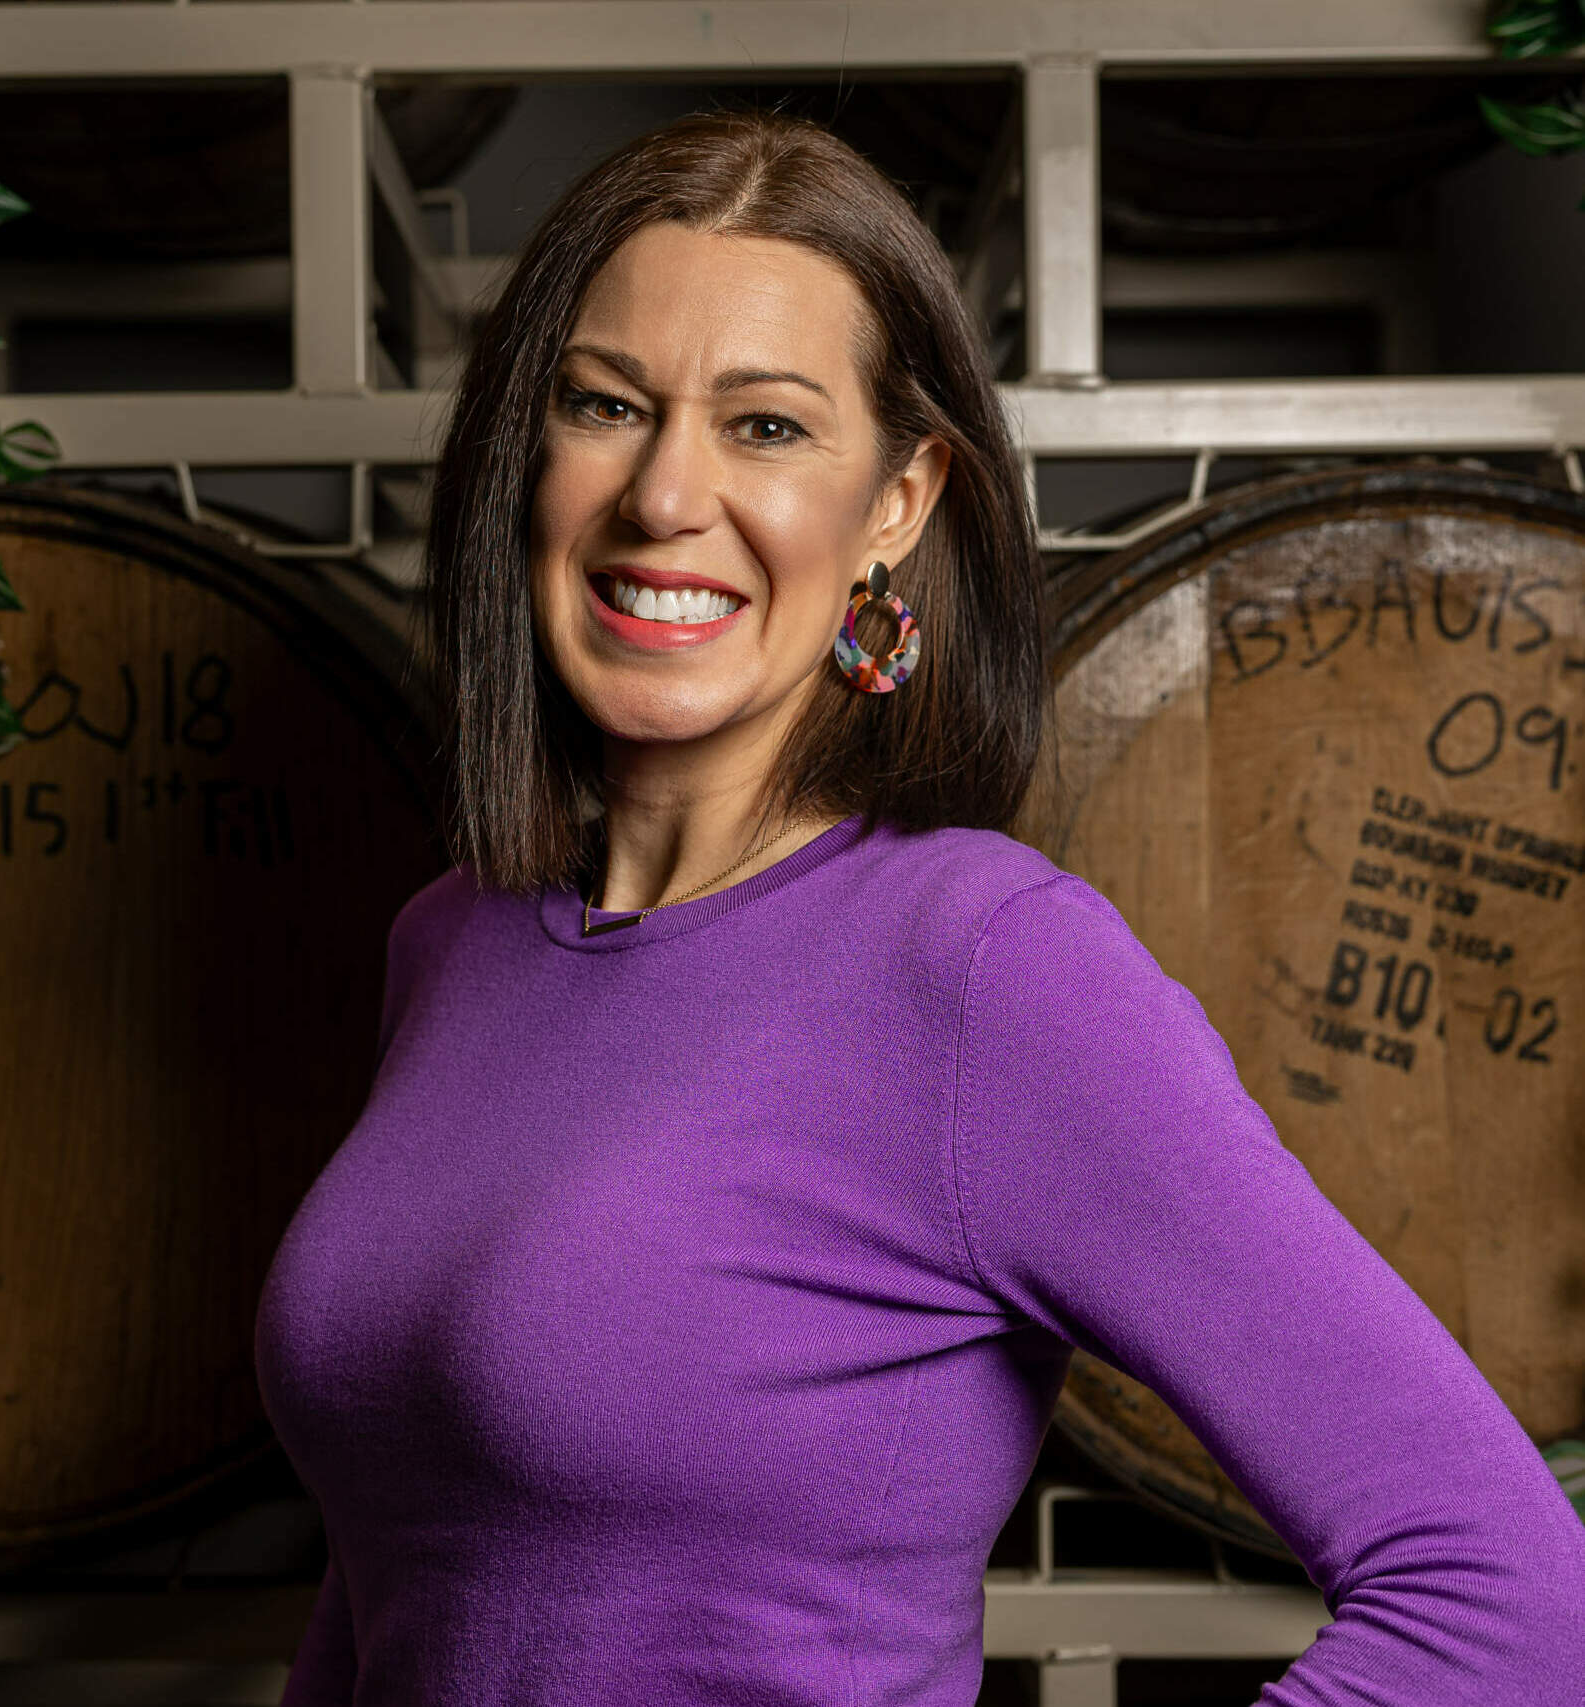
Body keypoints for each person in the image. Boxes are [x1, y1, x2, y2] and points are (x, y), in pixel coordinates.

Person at [253, 110, 1585, 1705]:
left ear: (898, 500)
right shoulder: (450, 940)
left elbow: (1509, 1599)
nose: (665, 494)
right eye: (606, 404)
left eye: (765, 428)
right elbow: (406, 1577)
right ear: (526, 451)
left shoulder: (981, 968)